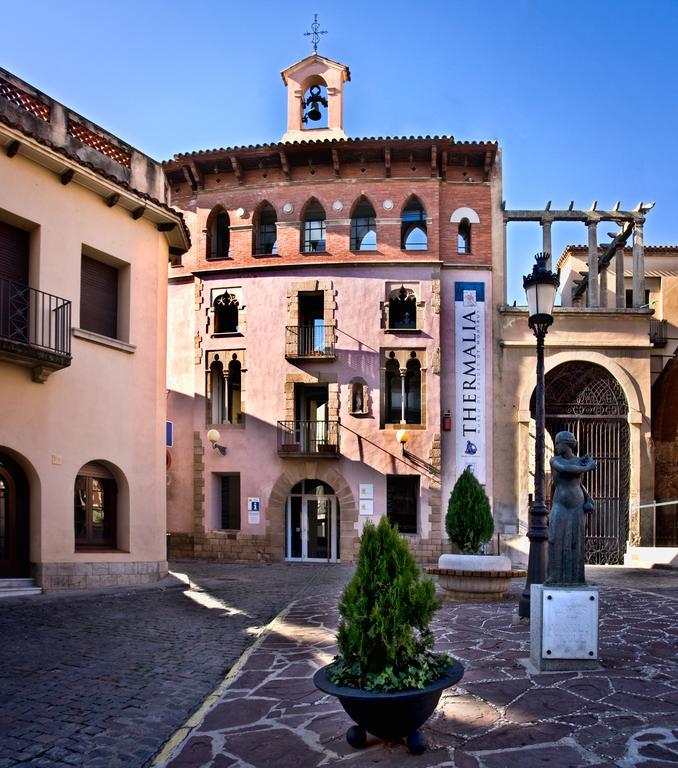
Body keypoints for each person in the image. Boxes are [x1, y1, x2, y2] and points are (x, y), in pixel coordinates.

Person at [546, 431, 596, 585]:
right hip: (560, 504)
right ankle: (554, 576)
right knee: (555, 539)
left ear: (567, 444)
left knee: (576, 541)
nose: (556, 447)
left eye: (558, 443)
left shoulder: (579, 462)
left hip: (577, 506)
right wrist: (587, 467)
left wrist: (588, 497)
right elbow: (565, 470)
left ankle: (576, 578)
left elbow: (579, 484)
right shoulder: (555, 460)